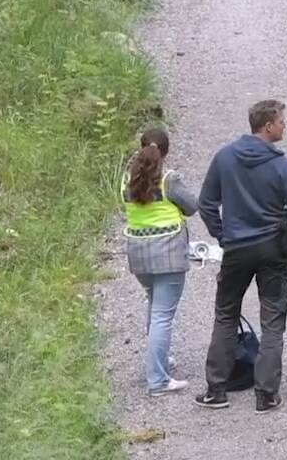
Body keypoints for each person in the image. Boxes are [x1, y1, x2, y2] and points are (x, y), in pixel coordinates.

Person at [193, 99, 287, 414]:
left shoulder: (225, 157)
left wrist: (223, 234)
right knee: (272, 318)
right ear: (267, 125)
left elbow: (206, 203)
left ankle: (216, 389)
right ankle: (266, 394)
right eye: (282, 120)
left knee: (226, 314)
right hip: (272, 248)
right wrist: (279, 217)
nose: (285, 125)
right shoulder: (282, 165)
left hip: (236, 249)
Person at [121, 127, 199, 396]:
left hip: (138, 254)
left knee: (155, 307)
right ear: (166, 151)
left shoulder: (127, 180)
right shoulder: (169, 179)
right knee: (163, 315)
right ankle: (158, 380)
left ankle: (160, 361)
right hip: (168, 254)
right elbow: (192, 205)